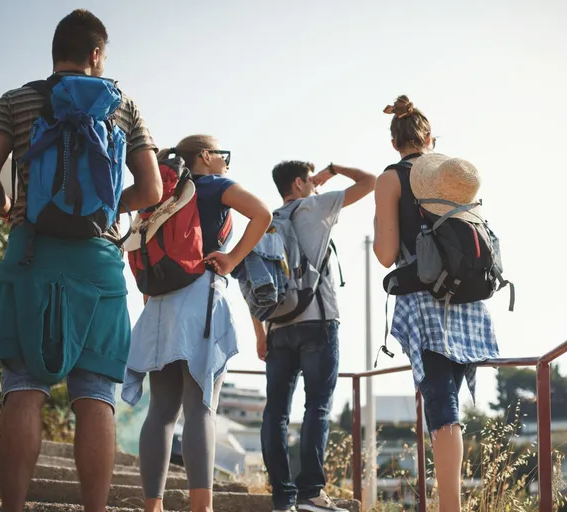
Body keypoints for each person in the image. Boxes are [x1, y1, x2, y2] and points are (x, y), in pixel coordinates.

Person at [0, 10, 162, 512]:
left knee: (24, 387)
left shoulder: (16, 100)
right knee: (95, 394)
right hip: (97, 264)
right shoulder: (122, 106)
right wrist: (105, 209)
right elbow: (152, 189)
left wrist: (11, 210)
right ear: (96, 54)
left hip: (31, 253)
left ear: (55, 51)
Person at [121, 135, 272, 512]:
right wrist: (233, 259)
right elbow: (262, 213)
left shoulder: (162, 195)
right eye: (223, 155)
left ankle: (152, 507)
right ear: (204, 156)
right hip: (199, 299)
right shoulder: (215, 185)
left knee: (161, 412)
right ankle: (200, 507)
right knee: (201, 407)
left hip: (159, 306)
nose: (225, 162)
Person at [372, 96, 501, 512]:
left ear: (395, 143)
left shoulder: (391, 178)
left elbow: (386, 253)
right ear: (431, 139)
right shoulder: (453, 176)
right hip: (468, 299)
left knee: (441, 403)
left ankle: (450, 507)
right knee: (451, 403)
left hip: (424, 300)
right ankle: (453, 504)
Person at [255, 160, 375, 512]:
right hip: (316, 323)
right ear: (298, 182)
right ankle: (311, 493)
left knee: (275, 412)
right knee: (317, 407)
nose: (316, 184)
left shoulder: (266, 221)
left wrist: (261, 333)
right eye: (310, 180)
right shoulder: (314, 206)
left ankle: (282, 497)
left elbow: (254, 281)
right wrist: (333, 169)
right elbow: (371, 181)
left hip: (277, 328)